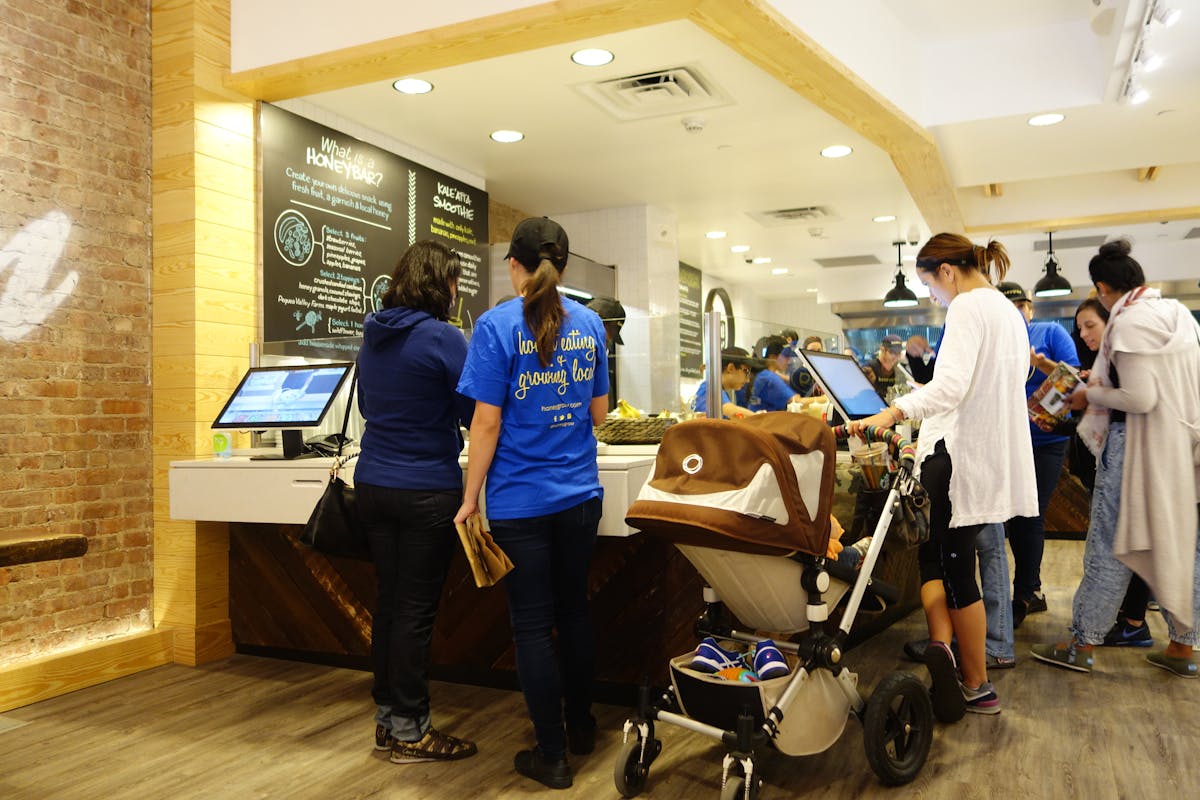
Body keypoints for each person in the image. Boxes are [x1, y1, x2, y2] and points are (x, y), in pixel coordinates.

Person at [848, 233, 1037, 720]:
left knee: (952, 569)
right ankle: (943, 653)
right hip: (979, 456)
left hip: (957, 459)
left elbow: (951, 388)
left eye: (929, 284)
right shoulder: (1009, 314)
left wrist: (894, 412)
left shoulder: (969, 308)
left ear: (947, 272)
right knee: (933, 559)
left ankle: (977, 685)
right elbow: (1003, 384)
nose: (932, 295)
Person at [454, 217, 610, 788]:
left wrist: (470, 498)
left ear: (513, 264)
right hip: (580, 499)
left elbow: (486, 423)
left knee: (532, 626)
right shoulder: (591, 324)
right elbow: (599, 415)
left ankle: (552, 755)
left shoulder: (495, 327)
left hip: (521, 504)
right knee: (574, 614)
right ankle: (584, 726)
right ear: (563, 267)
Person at [1032, 239, 1200, 678]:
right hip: (1179, 445)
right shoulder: (1177, 314)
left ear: (1104, 289)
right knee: (1182, 542)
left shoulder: (1128, 323)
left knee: (1109, 544)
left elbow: (1140, 397)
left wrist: (1089, 395)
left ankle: (1082, 642)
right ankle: (1185, 646)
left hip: (1137, 446)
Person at [354, 240, 478, 764]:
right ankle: (411, 730)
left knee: (388, 605)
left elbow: (366, 404)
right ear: (440, 283)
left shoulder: (371, 336)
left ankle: (388, 720)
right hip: (425, 489)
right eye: (454, 281)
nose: (457, 292)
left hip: (373, 485)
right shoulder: (442, 338)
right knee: (414, 613)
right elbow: (476, 411)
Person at [996, 282, 1080, 629]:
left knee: (1031, 513)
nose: (1017, 312)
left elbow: (1075, 380)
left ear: (1030, 308)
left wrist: (1039, 363)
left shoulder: (1051, 333)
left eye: (1022, 305)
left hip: (1044, 442)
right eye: (1009, 307)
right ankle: (1026, 590)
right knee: (1006, 516)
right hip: (1004, 441)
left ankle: (1025, 593)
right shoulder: (996, 343)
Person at [692, 346, 754, 419]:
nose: (748, 380)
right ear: (730, 368)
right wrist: (759, 417)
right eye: (746, 371)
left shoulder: (718, 390)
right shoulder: (710, 388)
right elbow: (731, 411)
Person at [749, 335, 802, 412]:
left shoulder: (764, 374)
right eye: (786, 356)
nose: (789, 361)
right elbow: (796, 402)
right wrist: (823, 398)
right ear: (773, 357)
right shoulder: (769, 378)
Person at [866, 334, 904, 400]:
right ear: (883, 350)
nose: (896, 356)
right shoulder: (870, 367)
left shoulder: (900, 370)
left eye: (899, 353)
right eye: (892, 352)